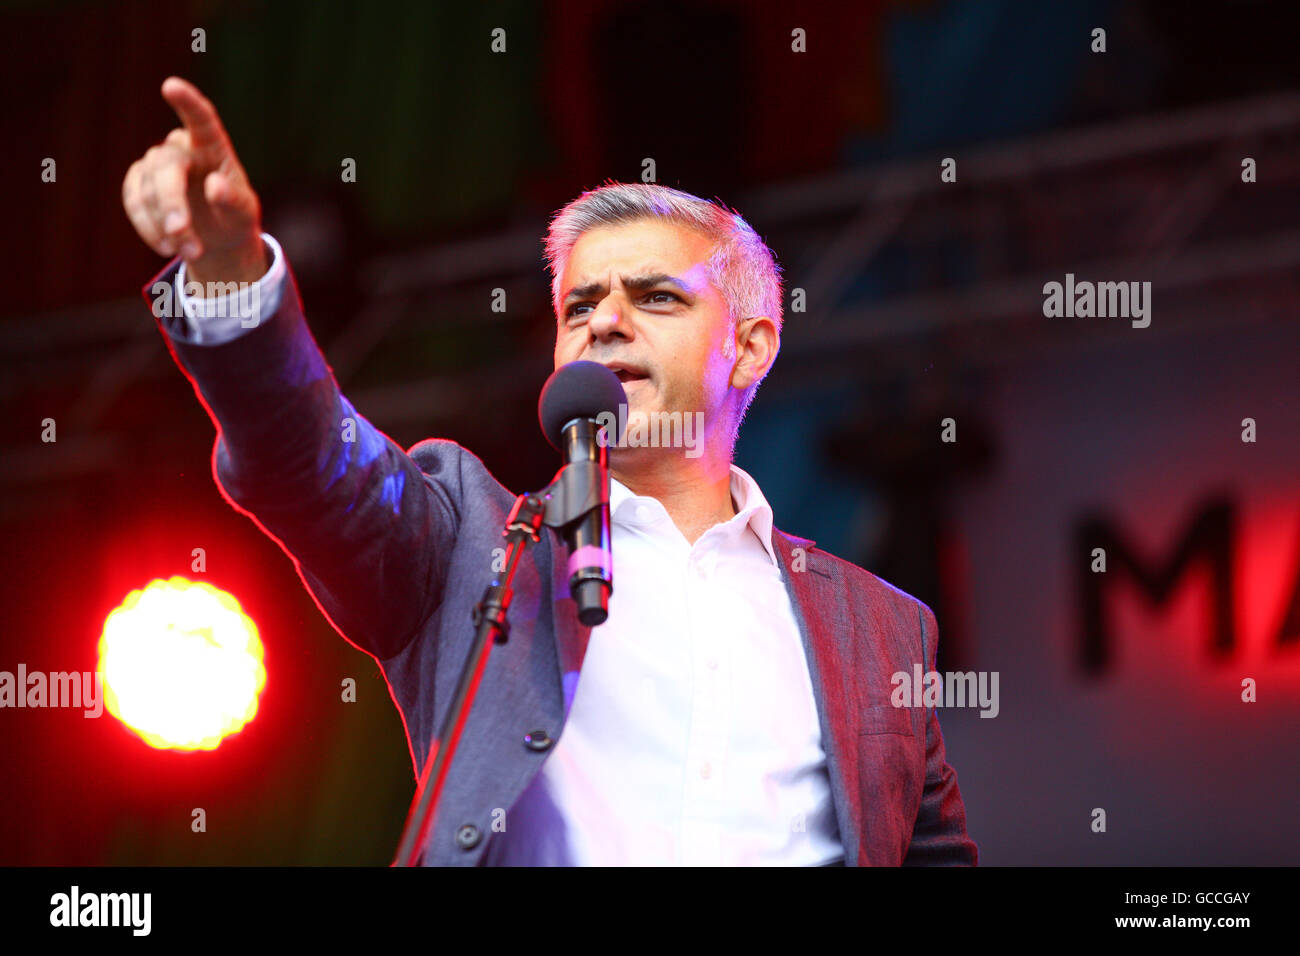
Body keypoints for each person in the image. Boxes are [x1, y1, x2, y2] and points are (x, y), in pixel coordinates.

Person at [122, 76, 978, 866]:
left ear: (750, 346)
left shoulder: (881, 627)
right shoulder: (470, 540)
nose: (606, 321)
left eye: (656, 296)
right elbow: (308, 464)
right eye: (580, 305)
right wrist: (232, 279)